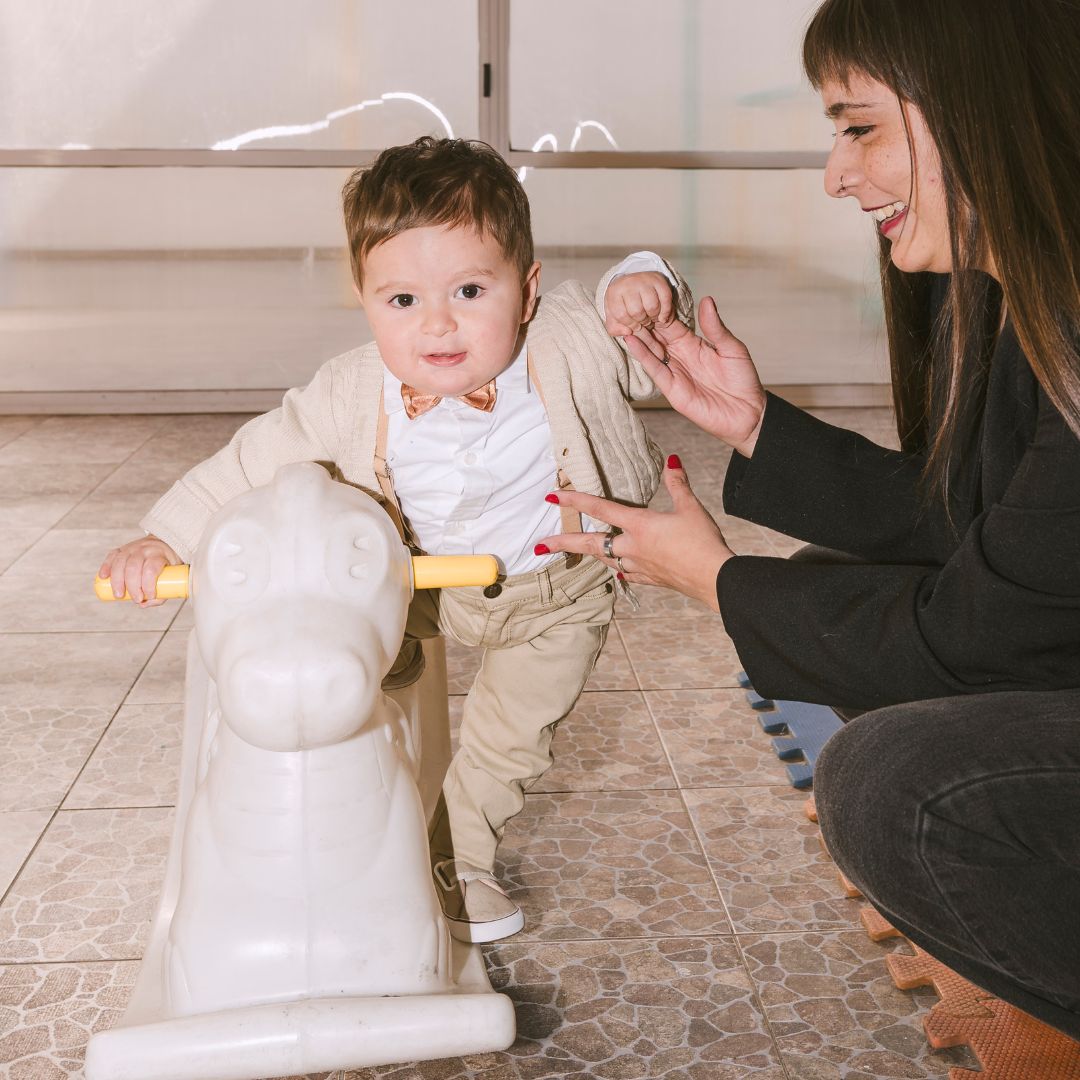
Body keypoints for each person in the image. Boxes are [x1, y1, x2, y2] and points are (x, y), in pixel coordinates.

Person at [535, 0, 1080, 1042]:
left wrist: (717, 581)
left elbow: (971, 634)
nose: (836, 174)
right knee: (847, 611)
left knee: (893, 792)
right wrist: (757, 428)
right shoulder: (1029, 299)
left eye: (860, 126)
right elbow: (985, 526)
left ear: (985, 111)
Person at [98, 137, 695, 945]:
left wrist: (646, 285)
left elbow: (658, 336)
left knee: (506, 742)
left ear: (527, 291)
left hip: (556, 596)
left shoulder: (573, 339)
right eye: (403, 301)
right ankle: (371, 721)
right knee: (342, 639)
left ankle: (459, 859)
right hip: (420, 583)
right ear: (365, 298)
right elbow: (255, 458)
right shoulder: (352, 388)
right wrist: (164, 536)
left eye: (471, 289)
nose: (438, 325)